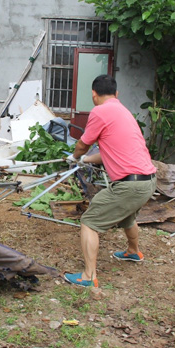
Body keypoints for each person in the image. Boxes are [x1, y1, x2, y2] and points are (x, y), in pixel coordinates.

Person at [64, 74, 156, 287]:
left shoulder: (100, 111)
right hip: (147, 181)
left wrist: (75, 156)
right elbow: (110, 152)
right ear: (116, 93)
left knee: (89, 222)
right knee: (127, 217)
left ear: (93, 94)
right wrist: (86, 160)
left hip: (129, 185)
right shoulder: (123, 112)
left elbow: (83, 144)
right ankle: (133, 251)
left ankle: (88, 276)